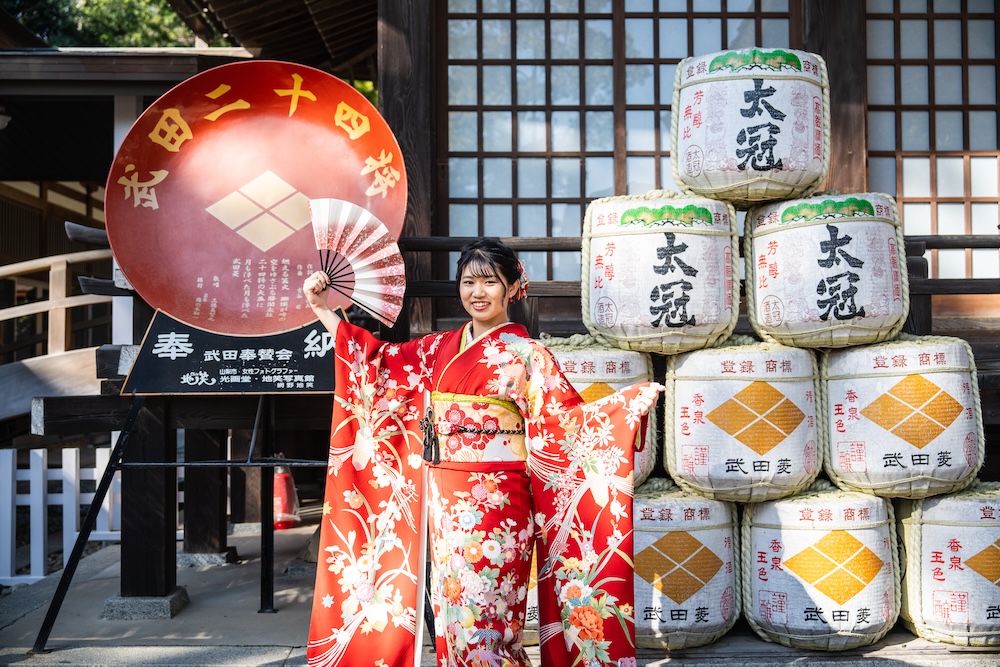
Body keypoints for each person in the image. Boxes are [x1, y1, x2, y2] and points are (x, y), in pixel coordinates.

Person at [303, 238, 662, 667]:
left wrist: (624, 408)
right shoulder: (437, 349)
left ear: (513, 287)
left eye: (490, 282)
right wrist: (322, 308)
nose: (478, 292)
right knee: (454, 616)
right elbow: (377, 364)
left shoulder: (529, 356)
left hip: (499, 504)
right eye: (469, 282)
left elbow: (568, 424)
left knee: (488, 619)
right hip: (444, 499)